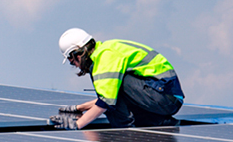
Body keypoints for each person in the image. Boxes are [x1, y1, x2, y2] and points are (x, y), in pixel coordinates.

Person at [51, 28, 184, 130]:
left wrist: (77, 124)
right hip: (163, 95)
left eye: (71, 61)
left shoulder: (105, 57)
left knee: (112, 99)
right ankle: (160, 122)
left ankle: (125, 132)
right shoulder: (104, 52)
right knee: (114, 90)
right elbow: (110, 95)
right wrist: (80, 108)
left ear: (78, 53)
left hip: (165, 96)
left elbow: (106, 101)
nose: (74, 65)